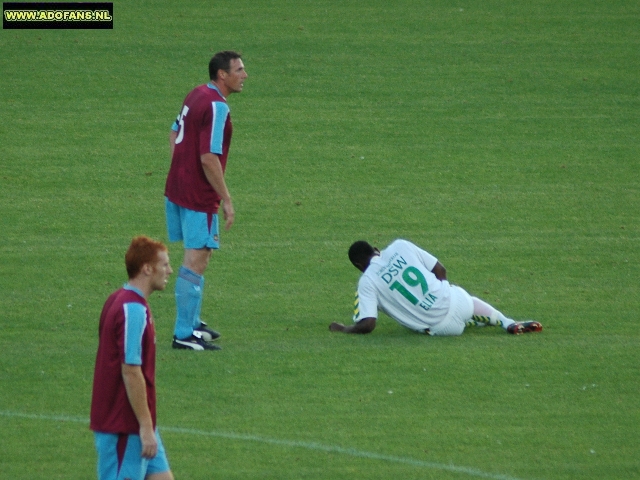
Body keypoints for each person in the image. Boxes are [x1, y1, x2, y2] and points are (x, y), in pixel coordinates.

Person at [164, 50, 248, 351]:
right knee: (195, 260)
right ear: (222, 75)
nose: (245, 75)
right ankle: (183, 334)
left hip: (177, 189)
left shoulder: (197, 93)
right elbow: (209, 157)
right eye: (239, 70)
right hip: (199, 196)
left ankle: (193, 323)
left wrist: (181, 170)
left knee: (201, 256)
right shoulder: (217, 107)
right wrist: (226, 199)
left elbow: (174, 133)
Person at [330, 239, 542, 336]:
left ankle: (475, 322)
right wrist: (440, 294)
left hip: (441, 329)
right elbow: (440, 270)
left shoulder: (367, 281)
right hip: (458, 301)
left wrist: (344, 329)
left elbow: (367, 324)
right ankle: (506, 322)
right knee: (461, 301)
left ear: (359, 266)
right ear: (376, 249)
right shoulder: (400, 245)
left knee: (454, 320)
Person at [90, 236, 174, 480]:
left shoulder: (119, 299)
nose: (169, 270)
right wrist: (145, 428)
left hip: (137, 422)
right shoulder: (132, 310)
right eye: (165, 264)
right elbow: (130, 370)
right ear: (147, 269)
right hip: (125, 426)